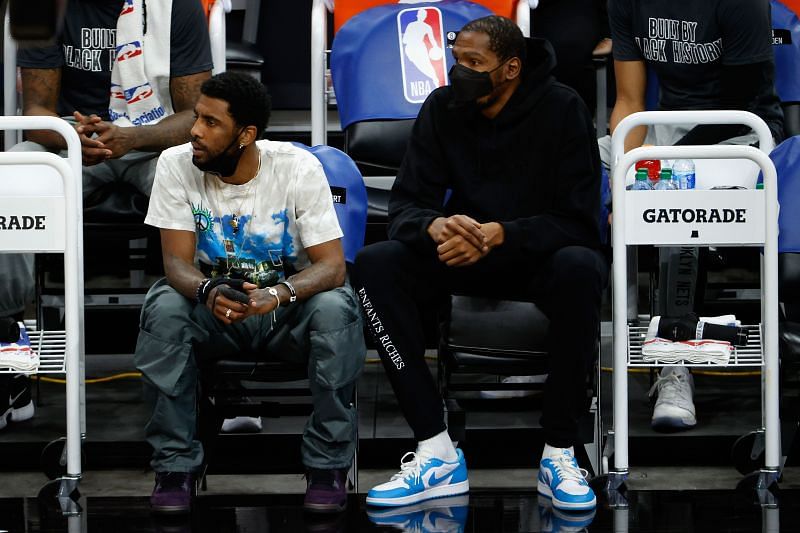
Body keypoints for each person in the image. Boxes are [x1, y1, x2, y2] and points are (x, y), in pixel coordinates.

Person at [354, 16, 607, 512]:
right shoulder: (443, 108)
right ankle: (435, 448)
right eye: (456, 62)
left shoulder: (562, 108)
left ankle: (559, 450)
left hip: (535, 255)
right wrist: (435, 227)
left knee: (582, 267)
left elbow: (578, 221)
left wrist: (503, 235)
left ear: (511, 68)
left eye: (474, 64)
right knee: (374, 264)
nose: (459, 74)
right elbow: (407, 204)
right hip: (463, 250)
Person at [135, 72, 365, 515]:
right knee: (164, 304)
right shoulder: (175, 163)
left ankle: (327, 465)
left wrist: (276, 294)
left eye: (210, 123)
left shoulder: (297, 168)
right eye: (196, 117)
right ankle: (175, 466)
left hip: (287, 312)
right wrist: (206, 290)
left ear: (246, 135)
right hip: (214, 311)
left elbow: (332, 267)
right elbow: (176, 265)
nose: (195, 131)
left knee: (337, 307)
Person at [603, 0, 784, 432]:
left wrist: (656, 173)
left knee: (672, 202)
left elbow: (743, 108)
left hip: (742, 135)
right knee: (574, 163)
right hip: (666, 128)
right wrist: (622, 182)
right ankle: (573, 368)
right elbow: (629, 101)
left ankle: (675, 367)